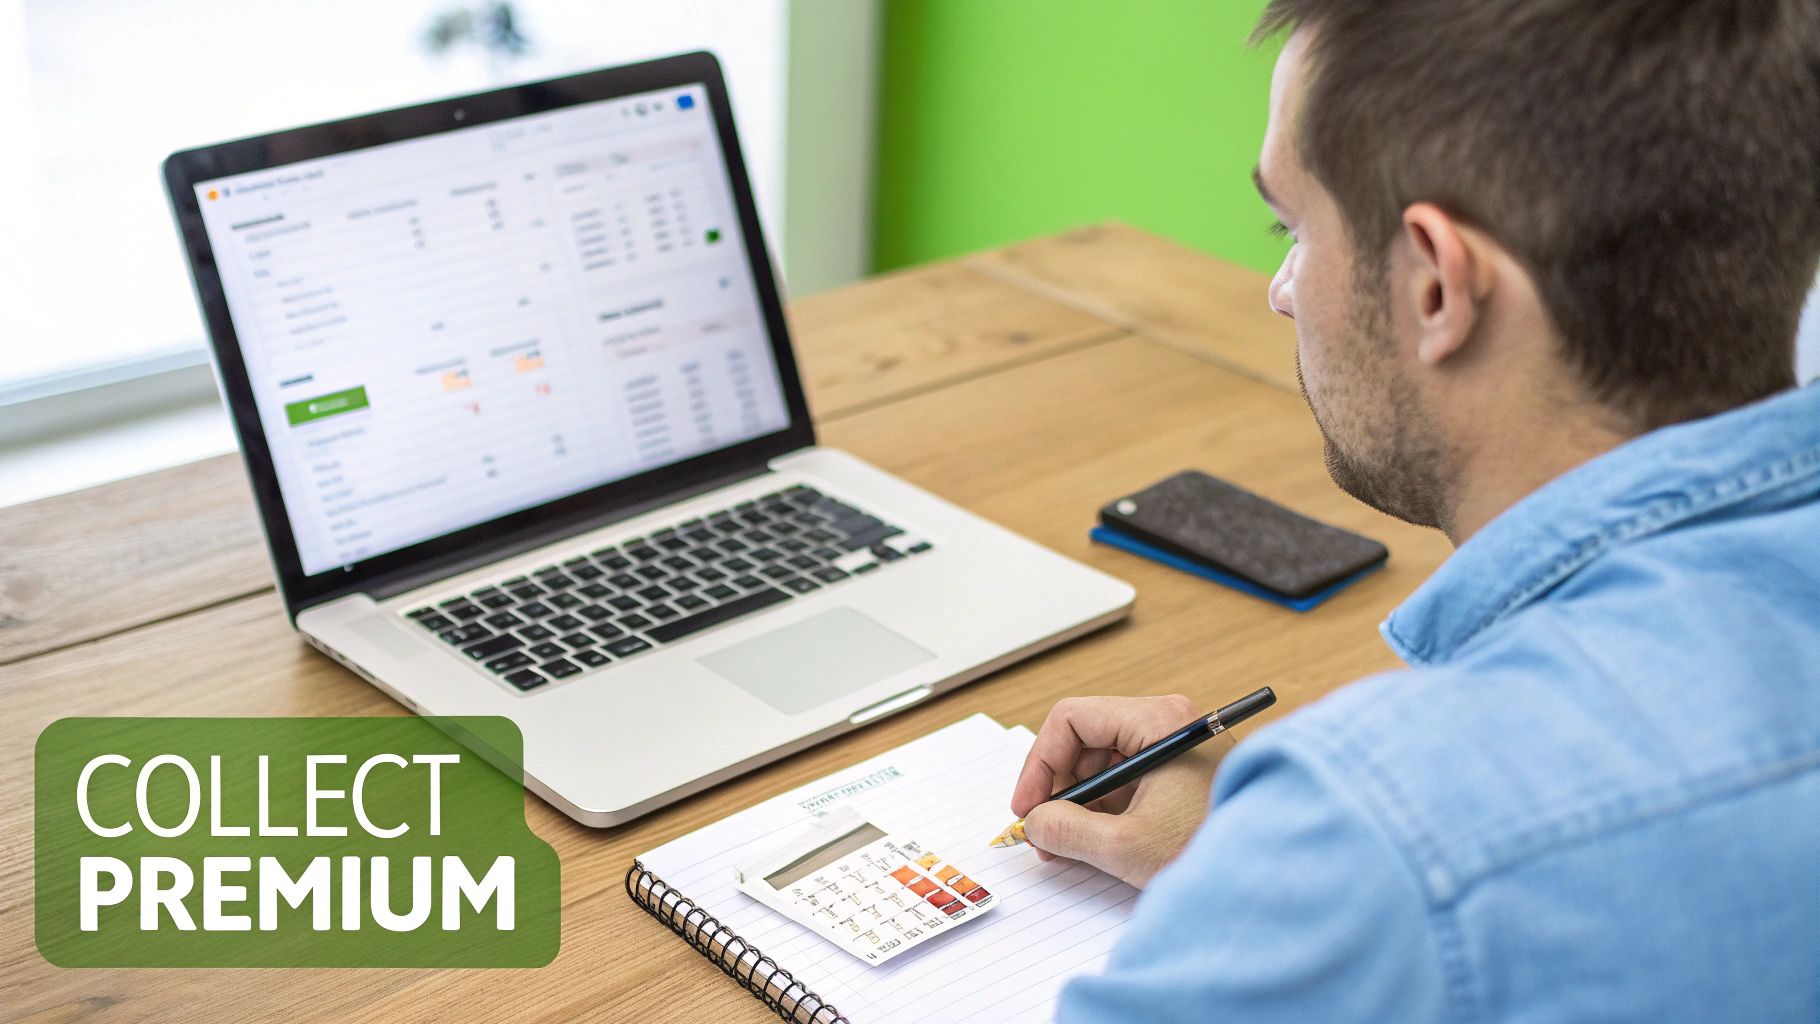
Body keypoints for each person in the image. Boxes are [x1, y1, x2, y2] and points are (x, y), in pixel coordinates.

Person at [1013, 2, 1820, 1020]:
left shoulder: (1386, 834)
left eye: (1292, 227)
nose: (1280, 290)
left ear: (1437, 286)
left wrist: (1308, 881)